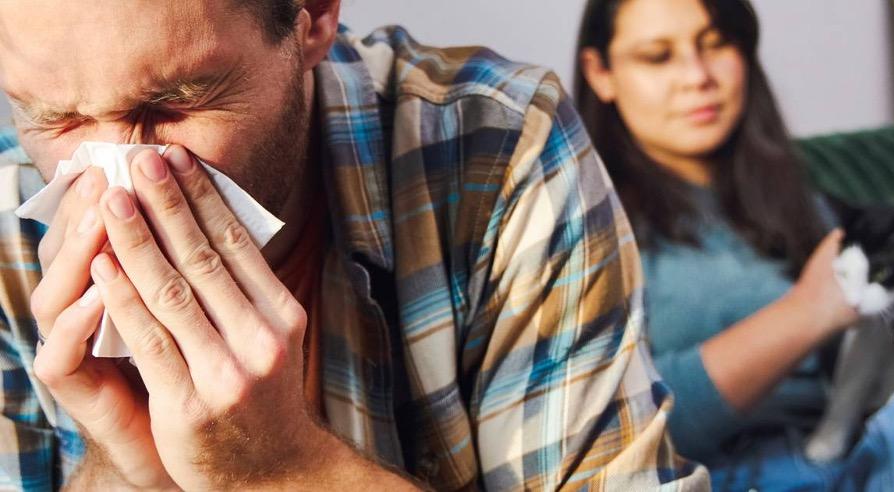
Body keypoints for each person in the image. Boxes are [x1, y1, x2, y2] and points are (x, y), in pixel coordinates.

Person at [0, 1, 710, 490]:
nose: (114, 182)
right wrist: (125, 467)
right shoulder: (8, 226)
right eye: (54, 120)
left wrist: (285, 470)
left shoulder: (493, 152)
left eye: (175, 103)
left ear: (313, 18)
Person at [575, 0, 894, 490]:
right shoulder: (586, 228)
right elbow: (610, 434)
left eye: (716, 43)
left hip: (865, 449)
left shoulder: (804, 201)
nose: (698, 76)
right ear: (601, 73)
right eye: (658, 56)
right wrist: (807, 312)